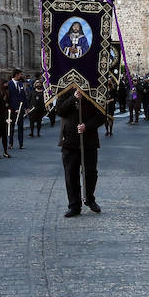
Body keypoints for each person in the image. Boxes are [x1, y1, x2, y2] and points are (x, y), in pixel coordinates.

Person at [57, 88, 104, 217]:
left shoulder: (94, 90)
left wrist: (87, 126)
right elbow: (60, 110)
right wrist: (74, 97)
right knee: (71, 174)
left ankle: (89, 198)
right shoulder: (64, 90)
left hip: (89, 140)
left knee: (90, 172)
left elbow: (101, 116)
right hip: (69, 140)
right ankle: (74, 205)